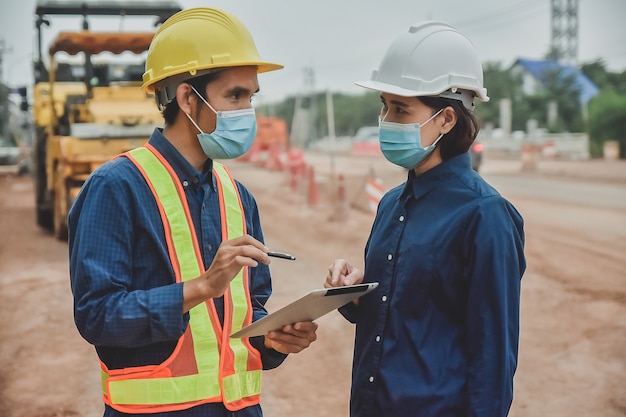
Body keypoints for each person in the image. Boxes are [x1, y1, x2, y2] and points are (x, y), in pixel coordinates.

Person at [69, 7, 317, 416]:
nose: (247, 110)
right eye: (235, 95)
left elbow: (248, 311)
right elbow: (97, 315)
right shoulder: (116, 187)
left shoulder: (238, 197)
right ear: (187, 97)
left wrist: (272, 340)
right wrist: (202, 287)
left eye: (251, 96)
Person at [325, 22, 526, 417]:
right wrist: (350, 294)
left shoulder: (485, 215)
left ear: (446, 120)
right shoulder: (391, 204)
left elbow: (492, 356)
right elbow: (392, 314)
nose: (386, 119)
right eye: (384, 105)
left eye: (400, 109)